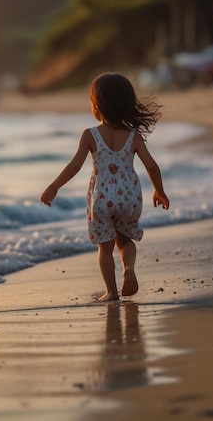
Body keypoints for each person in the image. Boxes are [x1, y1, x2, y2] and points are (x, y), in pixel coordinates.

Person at [40, 72, 169, 302]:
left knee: (105, 248)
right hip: (129, 197)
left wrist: (54, 186)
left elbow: (74, 166)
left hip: (102, 198)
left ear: (96, 105)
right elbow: (152, 166)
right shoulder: (133, 136)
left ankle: (111, 292)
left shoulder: (90, 135)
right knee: (125, 240)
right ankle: (128, 269)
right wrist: (159, 190)